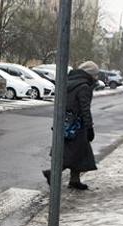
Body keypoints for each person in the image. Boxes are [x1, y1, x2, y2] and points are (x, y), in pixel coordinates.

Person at [43, 61, 99, 190]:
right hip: (77, 126)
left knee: (75, 153)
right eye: (95, 75)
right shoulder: (84, 86)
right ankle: (51, 173)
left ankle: (74, 179)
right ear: (89, 74)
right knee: (74, 153)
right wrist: (89, 127)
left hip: (65, 123)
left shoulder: (68, 82)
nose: (97, 78)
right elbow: (85, 109)